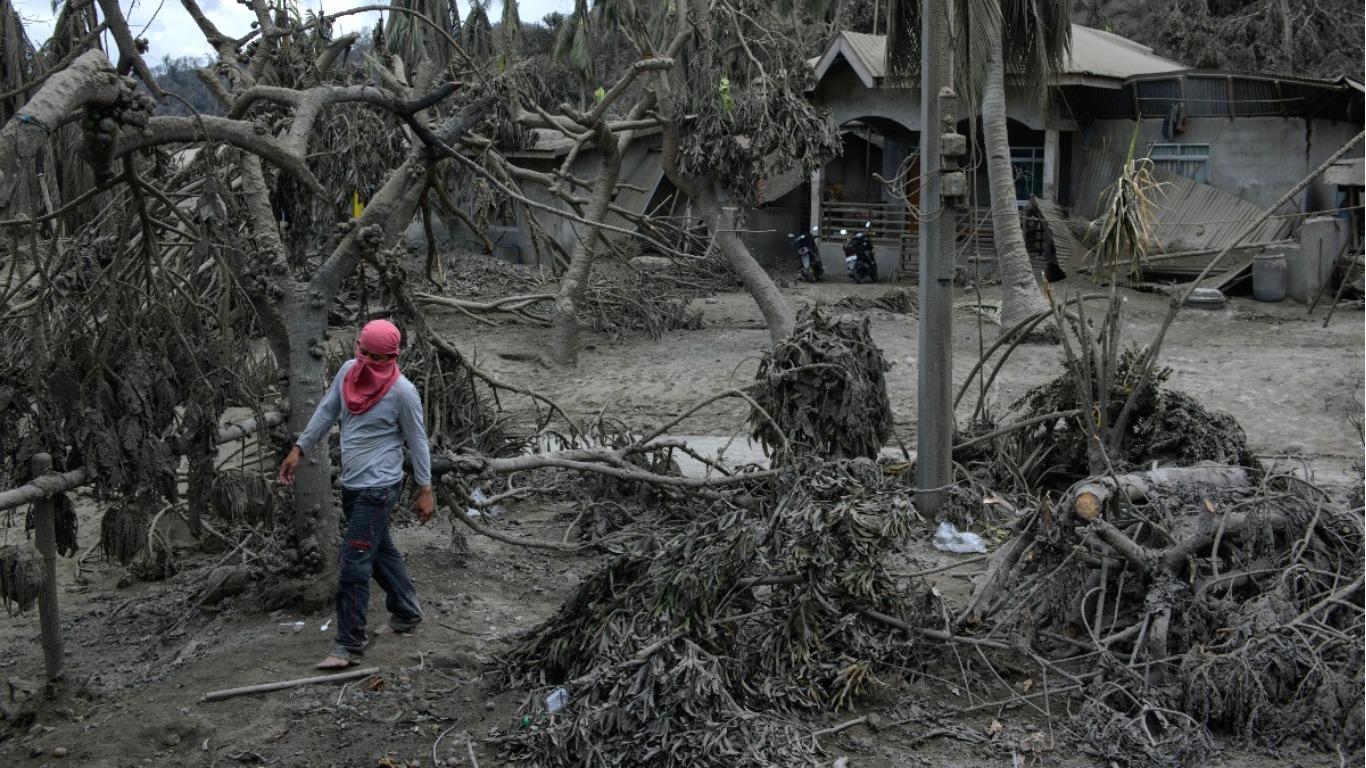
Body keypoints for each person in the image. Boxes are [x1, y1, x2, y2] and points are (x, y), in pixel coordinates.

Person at [277, 319, 434, 670]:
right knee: (379, 551)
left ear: (391, 357)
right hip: (351, 484)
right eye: (361, 351)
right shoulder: (348, 372)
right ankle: (406, 611)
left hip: (379, 488)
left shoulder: (403, 392)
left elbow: (418, 441)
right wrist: (299, 449)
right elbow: (326, 410)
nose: (364, 360)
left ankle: (349, 645)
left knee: (354, 563)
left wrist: (425, 488)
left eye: (374, 357)